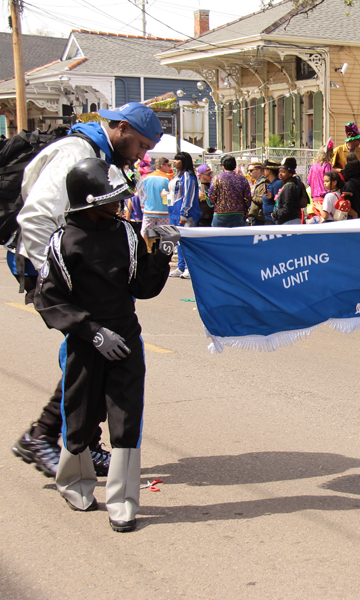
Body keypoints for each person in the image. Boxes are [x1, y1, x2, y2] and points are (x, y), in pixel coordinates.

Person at [12, 102, 163, 479]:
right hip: (63, 276)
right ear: (122, 129)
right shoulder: (78, 153)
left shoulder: (99, 153)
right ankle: (44, 436)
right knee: (85, 358)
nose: (142, 155)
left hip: (80, 271)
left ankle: (81, 442)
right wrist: (64, 274)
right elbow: (35, 219)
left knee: (96, 357)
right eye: (142, 145)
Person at [34, 157, 173, 531]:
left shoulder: (126, 233)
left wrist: (161, 255)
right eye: (112, 199)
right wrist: (91, 330)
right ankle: (75, 483)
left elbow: (141, 287)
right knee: (78, 413)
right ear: (90, 202)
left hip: (125, 337)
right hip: (85, 340)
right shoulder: (63, 241)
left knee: (126, 416)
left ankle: (123, 501)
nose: (120, 205)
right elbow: (48, 299)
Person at [171, 152, 199, 279]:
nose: (175, 161)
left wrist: (184, 213)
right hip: (175, 212)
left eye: (178, 160)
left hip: (188, 215)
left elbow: (189, 195)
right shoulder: (178, 175)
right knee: (179, 241)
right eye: (175, 159)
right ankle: (180, 266)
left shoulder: (188, 176)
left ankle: (189, 268)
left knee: (187, 240)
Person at [208, 154, 252, 227]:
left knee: (219, 237)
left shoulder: (217, 178)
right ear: (235, 166)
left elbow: (211, 197)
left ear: (223, 166)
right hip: (238, 215)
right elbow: (248, 198)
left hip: (220, 215)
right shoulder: (242, 179)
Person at [139, 160, 172, 248]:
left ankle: (142, 250)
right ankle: (163, 253)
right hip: (163, 211)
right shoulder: (167, 179)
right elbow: (172, 195)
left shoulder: (146, 178)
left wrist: (143, 207)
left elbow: (141, 193)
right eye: (168, 165)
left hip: (148, 210)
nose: (170, 167)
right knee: (165, 234)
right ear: (162, 166)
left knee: (144, 232)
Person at [271, 160, 309, 224]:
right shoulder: (286, 185)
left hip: (289, 222)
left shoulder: (289, 187)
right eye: (279, 171)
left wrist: (275, 214)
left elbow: (287, 209)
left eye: (283, 172)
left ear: (290, 173)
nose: (280, 174)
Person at [248, 160, 278, 226]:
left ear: (259, 170)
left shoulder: (265, 183)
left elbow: (262, 199)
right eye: (248, 171)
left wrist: (251, 196)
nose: (249, 173)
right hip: (256, 216)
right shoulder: (256, 183)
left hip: (262, 217)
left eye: (251, 170)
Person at [307, 138, 334, 205]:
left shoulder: (313, 166)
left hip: (315, 199)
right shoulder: (327, 166)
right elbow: (330, 179)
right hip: (325, 197)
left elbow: (308, 181)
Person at [261, 160, 282, 225]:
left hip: (273, 220)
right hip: (268, 219)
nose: (263, 171)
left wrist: (271, 198)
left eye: (264, 169)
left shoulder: (277, 184)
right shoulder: (270, 183)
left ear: (269, 170)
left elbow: (278, 203)